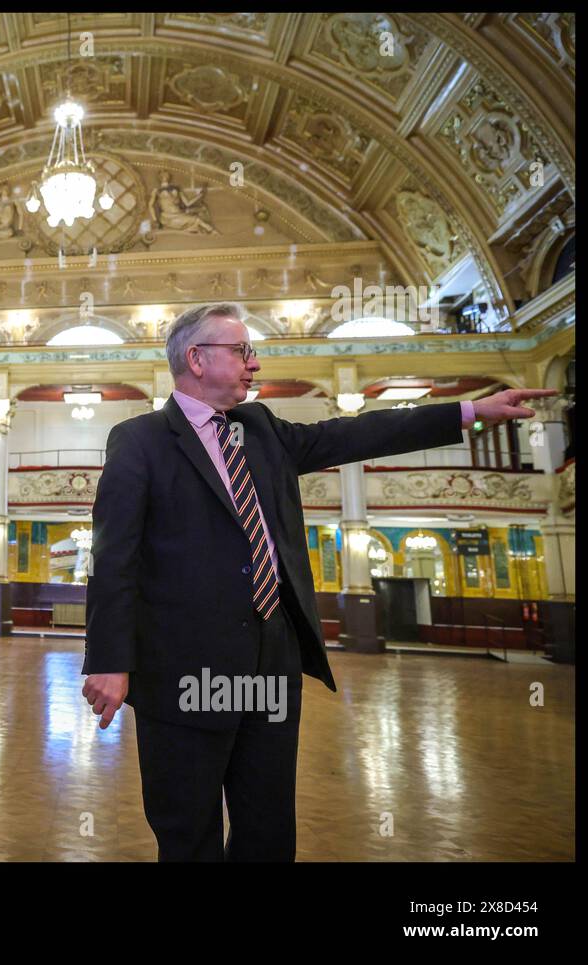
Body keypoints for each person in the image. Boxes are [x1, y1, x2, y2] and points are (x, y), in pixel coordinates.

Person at [82, 302, 553, 861]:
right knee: (187, 833)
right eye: (242, 351)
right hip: (182, 669)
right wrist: (109, 660)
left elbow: (359, 433)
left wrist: (469, 411)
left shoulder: (261, 430)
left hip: (271, 664)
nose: (254, 363)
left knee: (269, 829)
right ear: (197, 359)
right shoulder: (139, 440)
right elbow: (115, 559)